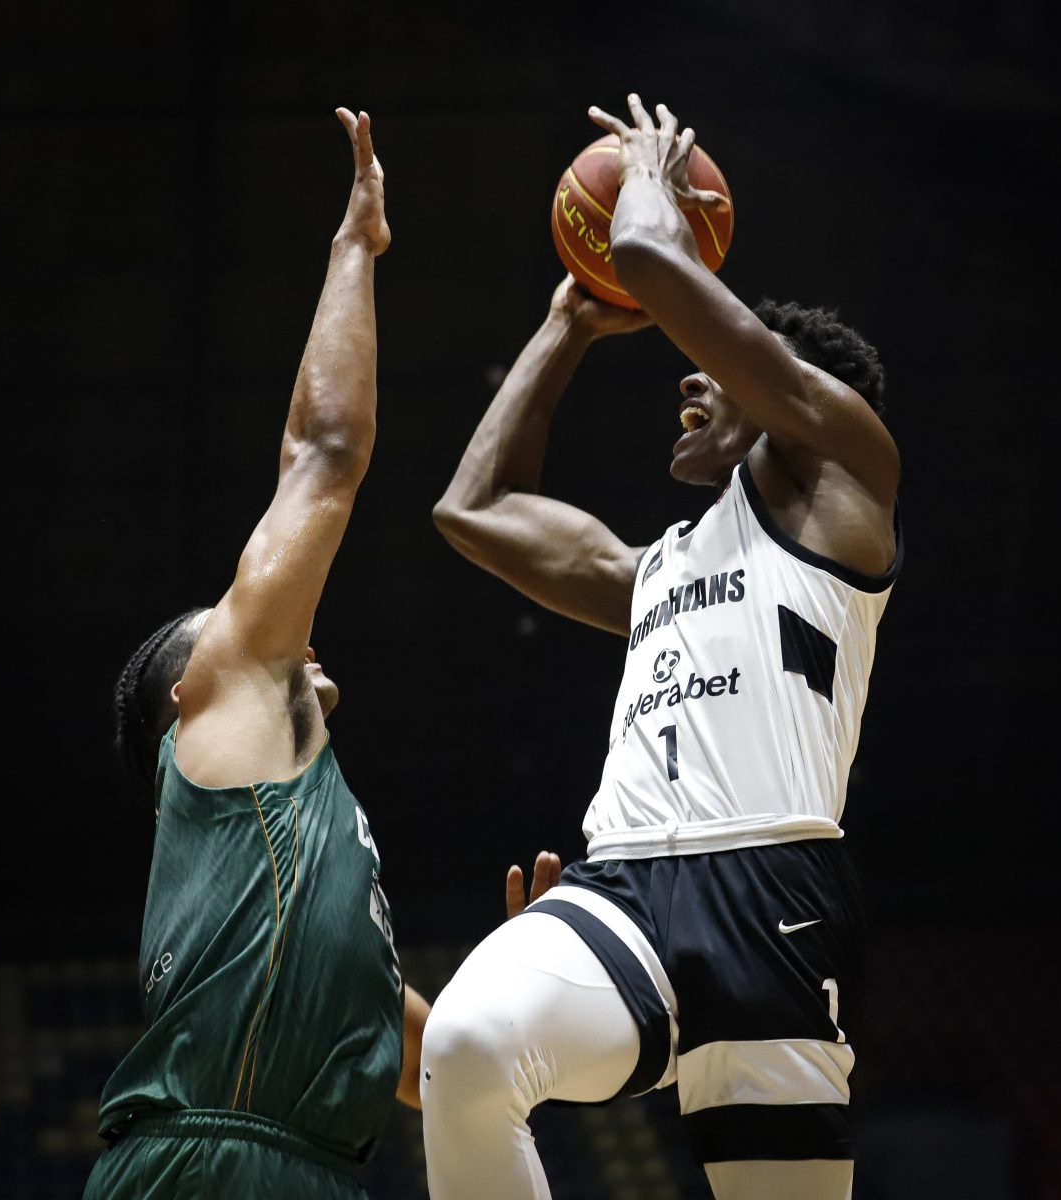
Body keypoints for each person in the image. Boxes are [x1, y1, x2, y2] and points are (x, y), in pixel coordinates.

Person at [421, 93, 902, 1200]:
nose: (690, 376)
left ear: (789, 394)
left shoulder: (848, 472)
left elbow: (645, 252)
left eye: (722, 365)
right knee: (468, 1045)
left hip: (772, 891)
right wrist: (568, 325)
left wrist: (647, 173)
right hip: (624, 885)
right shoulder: (654, 573)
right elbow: (472, 509)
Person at [84, 107, 418, 1200]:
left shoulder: (300, 839)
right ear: (193, 699)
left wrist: (525, 988)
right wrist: (355, 245)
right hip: (215, 1163)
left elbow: (427, 1054)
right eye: (236, 631)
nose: (289, 635)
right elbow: (325, 450)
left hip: (309, 1171)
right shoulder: (228, 704)